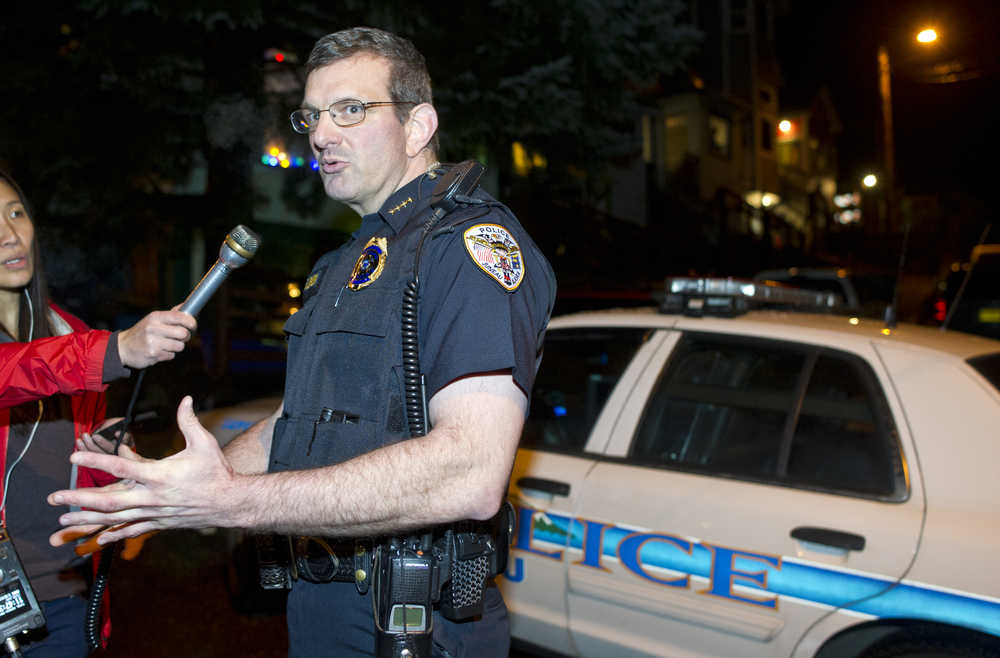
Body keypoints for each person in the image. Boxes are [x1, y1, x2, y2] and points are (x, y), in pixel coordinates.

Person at [48, 26, 556, 657]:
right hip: (319, 607)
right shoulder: (341, 263)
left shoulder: (466, 247)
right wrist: (173, 486)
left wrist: (235, 502)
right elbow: (299, 420)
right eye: (312, 115)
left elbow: (472, 471)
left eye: (350, 110)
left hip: (416, 627)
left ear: (418, 125)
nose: (320, 134)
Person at [0, 170, 195, 656]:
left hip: (61, 597)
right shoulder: (82, 347)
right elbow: (16, 372)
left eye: (16, 212)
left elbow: (73, 482)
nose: (9, 233)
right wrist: (117, 348)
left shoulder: (68, 329)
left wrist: (106, 461)